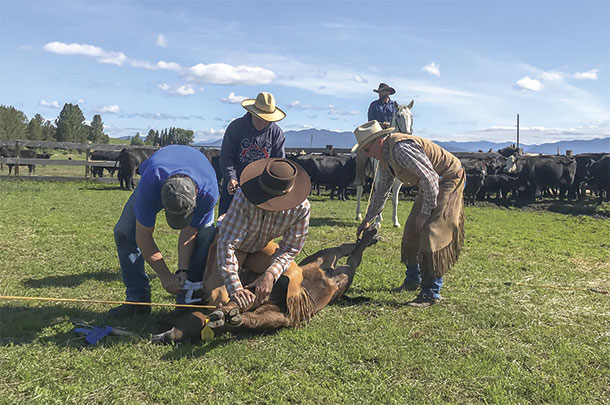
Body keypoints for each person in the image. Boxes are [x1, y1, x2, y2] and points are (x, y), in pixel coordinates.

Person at [353, 120, 465, 307]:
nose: (366, 154)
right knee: (412, 229)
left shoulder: (400, 149)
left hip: (448, 179)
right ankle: (414, 279)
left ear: (379, 142)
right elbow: (381, 191)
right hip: (431, 184)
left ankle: (431, 293)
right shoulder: (385, 159)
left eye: (366, 149)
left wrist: (425, 212)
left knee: (433, 231)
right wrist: (368, 219)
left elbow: (430, 178)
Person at [110, 145, 219, 317]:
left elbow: (189, 233)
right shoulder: (151, 183)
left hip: (199, 174)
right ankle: (137, 301)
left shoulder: (208, 192)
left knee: (205, 236)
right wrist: (165, 276)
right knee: (123, 232)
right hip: (157, 176)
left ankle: (190, 298)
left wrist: (182, 270)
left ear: (196, 194)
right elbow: (143, 236)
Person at [210, 158, 311, 313]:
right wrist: (235, 288)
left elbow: (291, 248)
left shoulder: (301, 208)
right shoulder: (244, 196)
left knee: (294, 276)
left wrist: (270, 275)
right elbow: (227, 244)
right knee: (218, 298)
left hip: (262, 246)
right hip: (234, 246)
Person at [218, 92, 286, 216]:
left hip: (261, 188)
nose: (263, 123)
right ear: (253, 113)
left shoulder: (276, 133)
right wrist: (230, 177)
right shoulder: (236, 127)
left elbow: (278, 162)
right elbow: (226, 156)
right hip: (235, 186)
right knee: (225, 225)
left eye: (266, 120)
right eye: (260, 118)